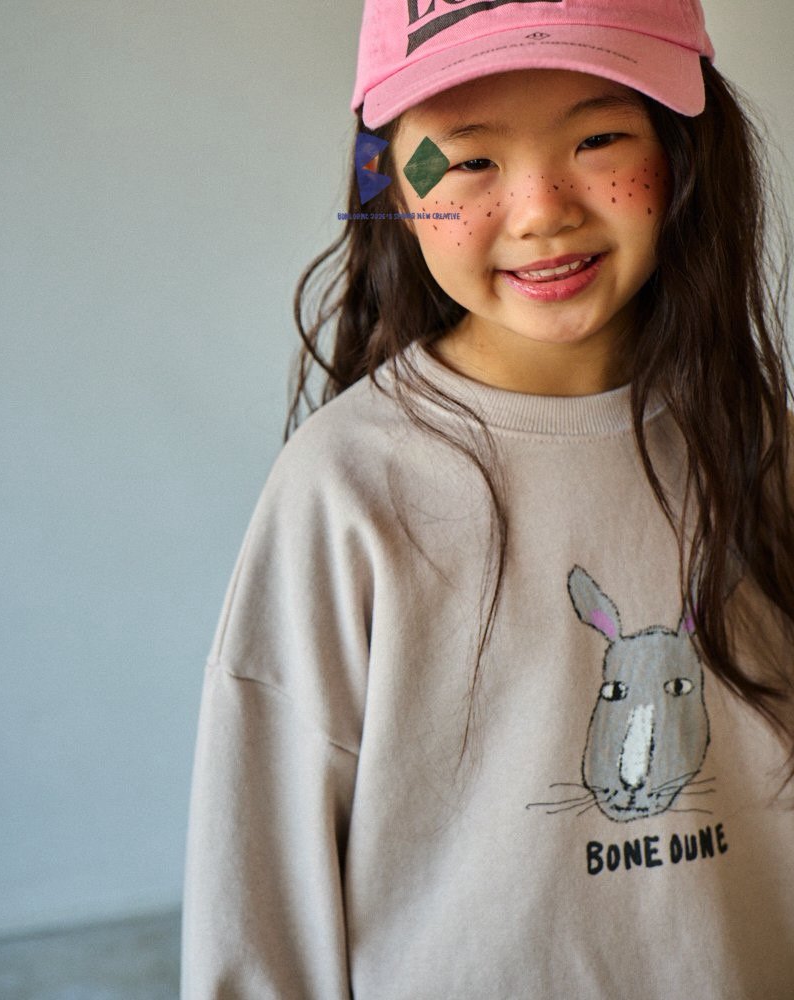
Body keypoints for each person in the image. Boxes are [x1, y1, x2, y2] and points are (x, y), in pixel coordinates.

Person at [181, 1, 794, 996]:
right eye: (468, 160)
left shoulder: (763, 451)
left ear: (685, 150)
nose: (542, 209)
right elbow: (259, 892)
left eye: (598, 140)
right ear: (388, 179)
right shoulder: (347, 486)